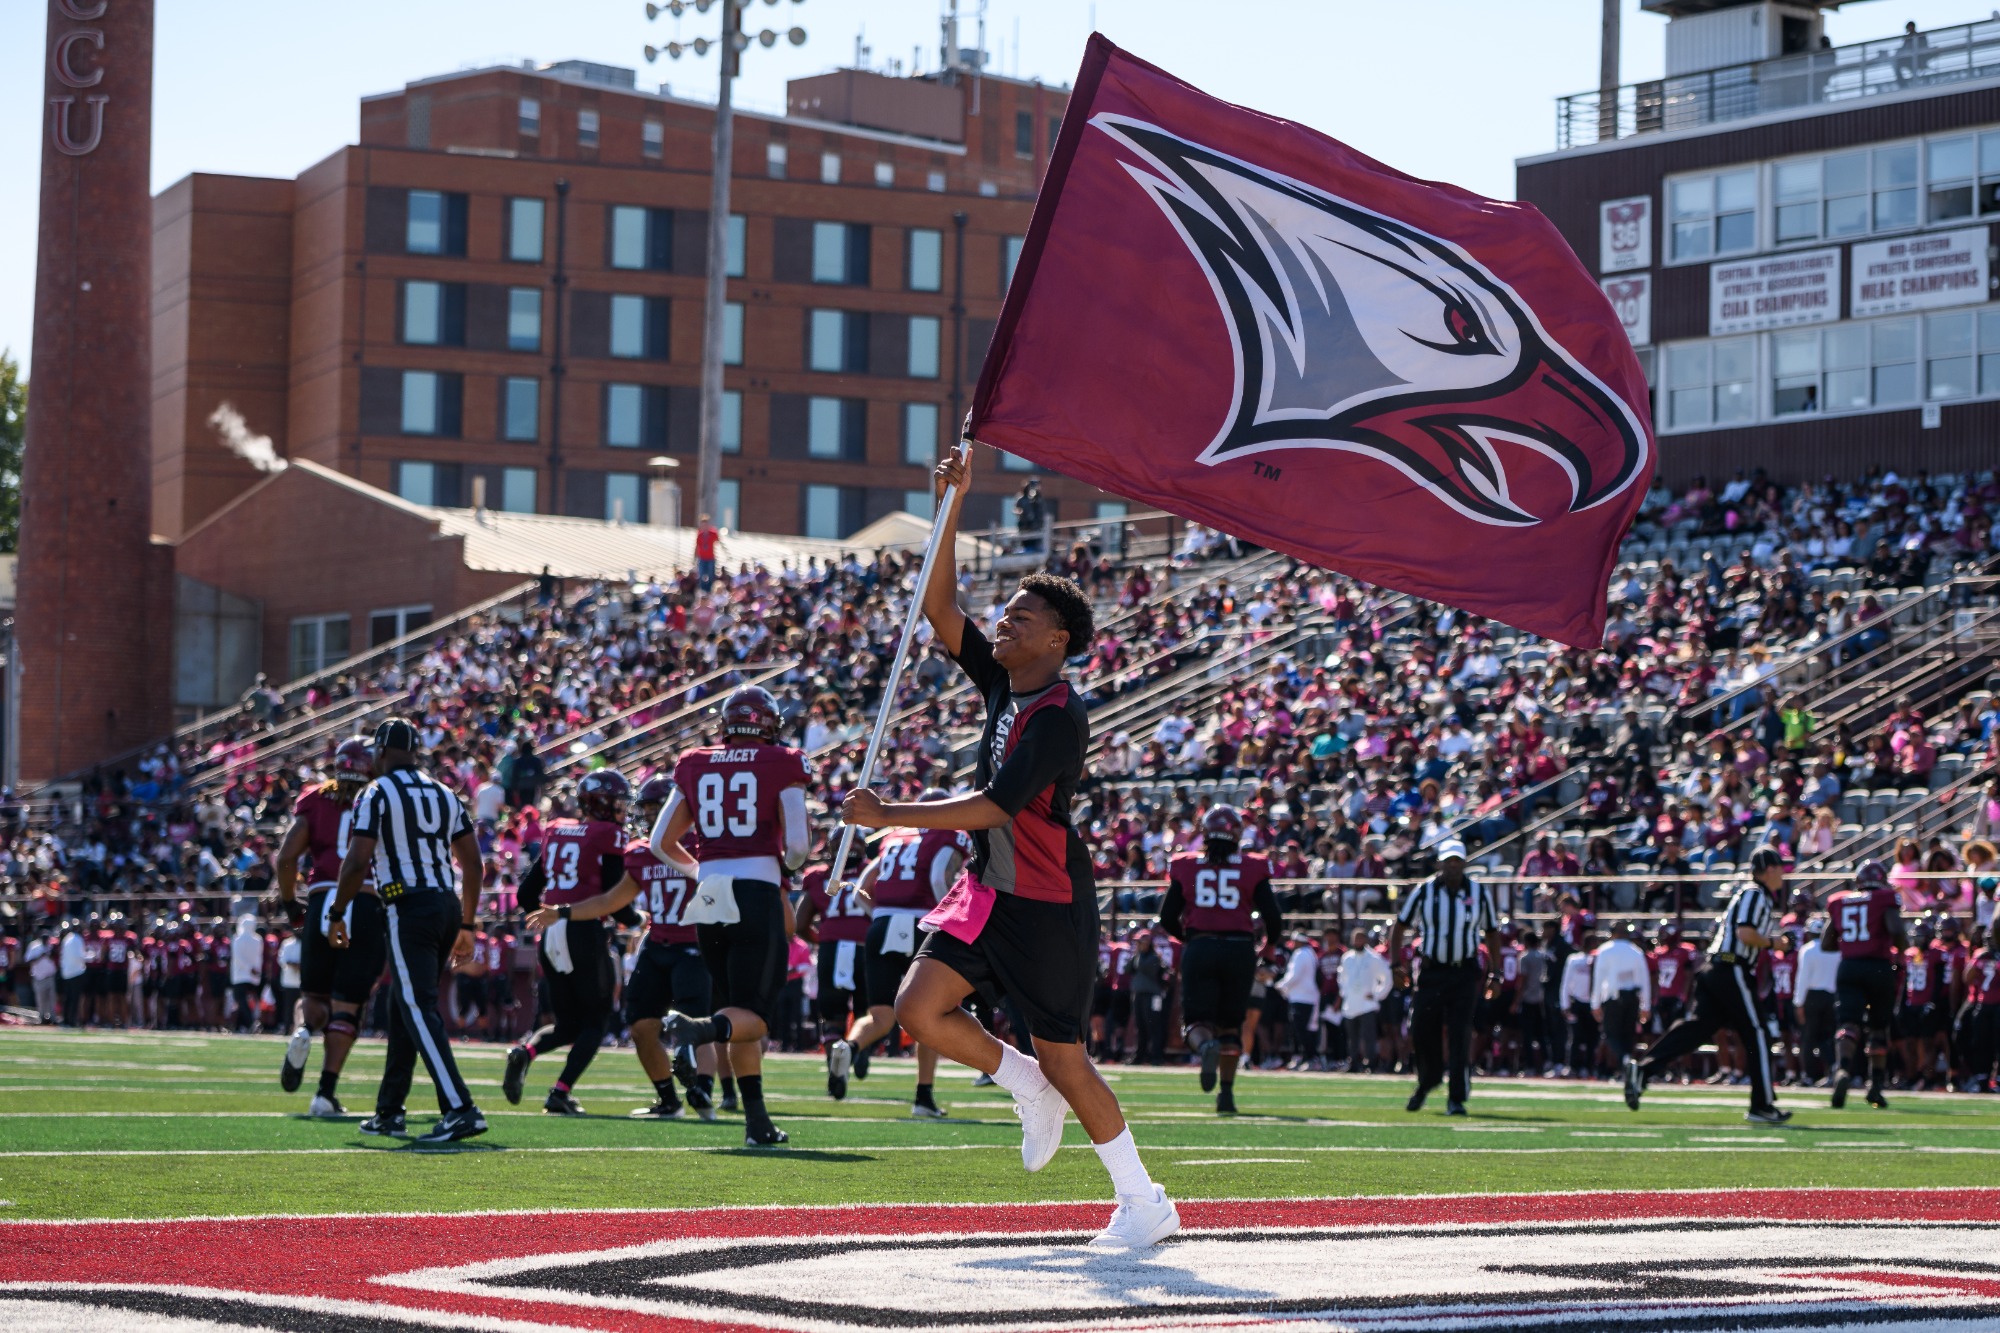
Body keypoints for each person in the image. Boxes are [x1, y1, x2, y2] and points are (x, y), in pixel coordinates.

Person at [840, 446, 1180, 1250]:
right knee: (921, 1011)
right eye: (1007, 613)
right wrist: (949, 500)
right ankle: (1019, 1078)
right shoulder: (1002, 682)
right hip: (986, 893)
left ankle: (1144, 1199)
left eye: (1022, 617)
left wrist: (888, 809)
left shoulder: (1059, 715)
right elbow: (938, 602)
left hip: (1046, 902)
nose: (1004, 622)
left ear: (1058, 640)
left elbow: (996, 806)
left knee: (1069, 1057)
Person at [653, 684, 813, 1148]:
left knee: (735, 1009)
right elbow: (799, 847)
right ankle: (693, 1029)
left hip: (709, 893)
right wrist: (782, 870)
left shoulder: (694, 761)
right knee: (757, 1018)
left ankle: (757, 1122)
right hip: (755, 890)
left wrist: (702, 869)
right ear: (769, 724)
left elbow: (660, 842)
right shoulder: (783, 761)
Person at [329, 717, 487, 1144]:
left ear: (379, 753)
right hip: (446, 904)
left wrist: (337, 911)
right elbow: (473, 864)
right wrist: (468, 923)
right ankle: (389, 1110)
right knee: (405, 1006)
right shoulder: (444, 793)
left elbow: (358, 860)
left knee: (417, 1006)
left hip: (407, 903)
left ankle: (460, 1108)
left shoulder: (376, 792)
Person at [523, 774, 714, 1120]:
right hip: (656, 944)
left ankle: (703, 1090)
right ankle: (669, 1100)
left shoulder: (703, 846)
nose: (652, 816)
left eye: (660, 809)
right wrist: (563, 912)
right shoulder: (640, 852)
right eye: (650, 809)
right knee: (640, 1026)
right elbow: (612, 900)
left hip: (695, 946)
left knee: (695, 1027)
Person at [1625, 846, 1790, 1124]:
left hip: (1717, 968)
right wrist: (1776, 943)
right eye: (1780, 867)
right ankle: (1762, 1105)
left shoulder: (1750, 893)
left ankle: (1643, 1070)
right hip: (1731, 967)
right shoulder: (1755, 894)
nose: (1784, 873)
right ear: (1770, 869)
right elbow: (1745, 933)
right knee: (1758, 1033)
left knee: (1696, 1028)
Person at [827, 798, 971, 1116]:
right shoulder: (949, 834)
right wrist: (945, 919)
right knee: (934, 1012)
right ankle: (923, 1097)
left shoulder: (895, 836)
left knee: (880, 1016)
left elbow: (861, 886)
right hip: (922, 923)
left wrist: (877, 915)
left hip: (882, 924)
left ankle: (848, 1047)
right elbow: (937, 876)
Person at [504, 769, 636, 1115]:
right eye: (618, 802)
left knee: (569, 1025)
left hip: (551, 933)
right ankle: (560, 1091)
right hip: (583, 928)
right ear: (602, 802)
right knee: (596, 1020)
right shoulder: (608, 833)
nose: (622, 809)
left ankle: (525, 1051)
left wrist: (544, 917)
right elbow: (615, 898)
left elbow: (526, 892)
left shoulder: (558, 830)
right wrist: (638, 922)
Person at [273, 737, 383, 1118]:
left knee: (314, 997)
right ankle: (325, 1092)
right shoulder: (382, 798)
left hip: (321, 899)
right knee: (347, 1007)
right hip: (366, 900)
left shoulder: (315, 799)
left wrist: (291, 903)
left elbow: (287, 858)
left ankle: (303, 1031)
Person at [1159, 804, 1282, 1113]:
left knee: (1196, 1024)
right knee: (1231, 1025)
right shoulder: (1253, 866)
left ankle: (1205, 1047)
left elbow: (1166, 917)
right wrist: (1267, 948)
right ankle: (1226, 1095)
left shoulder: (1186, 865)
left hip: (1200, 945)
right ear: (1236, 834)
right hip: (1240, 949)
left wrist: (1190, 938)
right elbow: (1274, 919)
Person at [1389, 838, 1501, 1115]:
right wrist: (1395, 965)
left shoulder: (1478, 892)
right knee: (1420, 1028)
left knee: (1461, 1033)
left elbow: (1492, 932)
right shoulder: (1424, 891)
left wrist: (1495, 973)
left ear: (1464, 863)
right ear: (1440, 863)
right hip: (1431, 971)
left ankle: (1456, 1098)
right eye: (1448, 861)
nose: (1453, 866)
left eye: (1457, 861)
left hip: (1464, 972)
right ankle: (1429, 1079)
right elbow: (1400, 926)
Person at [1824, 859, 1908, 1110]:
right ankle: (1875, 1087)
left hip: (1849, 966)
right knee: (1878, 1028)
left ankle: (1842, 1071)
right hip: (1878, 966)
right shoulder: (1885, 898)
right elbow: (1895, 929)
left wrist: (1853, 943)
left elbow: (1827, 943)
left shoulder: (1840, 901)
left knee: (1848, 1024)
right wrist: (1903, 949)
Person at [795, 859, 871, 1095]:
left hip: (832, 950)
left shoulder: (819, 876)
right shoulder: (875, 870)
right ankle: (859, 1050)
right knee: (868, 1013)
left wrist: (825, 939)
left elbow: (800, 923)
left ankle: (834, 1068)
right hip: (866, 947)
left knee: (832, 1018)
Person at [1590, 921, 1651, 1070]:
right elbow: (1644, 980)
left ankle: (1625, 1060)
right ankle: (1627, 1066)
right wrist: (1646, 1005)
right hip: (1632, 998)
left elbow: (1598, 979)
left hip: (1613, 998)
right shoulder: (1635, 951)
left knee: (1611, 1035)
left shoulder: (1605, 950)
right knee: (1627, 1035)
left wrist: (1595, 1003)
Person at [1339, 927, 1392, 1074]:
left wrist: (1377, 994)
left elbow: (1387, 978)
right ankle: (1354, 1062)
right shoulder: (1347, 957)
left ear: (1365, 940)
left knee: (1369, 1036)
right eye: (1355, 938)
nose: (1358, 941)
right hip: (1351, 1004)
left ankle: (1371, 1063)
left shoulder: (1374, 957)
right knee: (1352, 1037)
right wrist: (1345, 993)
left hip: (1367, 1004)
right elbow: (1342, 978)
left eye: (1360, 938)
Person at [1795, 919, 1839, 1084]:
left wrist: (1798, 1002)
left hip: (1812, 997)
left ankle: (1809, 1075)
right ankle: (1832, 1071)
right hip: (1832, 997)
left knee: (1808, 1038)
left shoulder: (1807, 950)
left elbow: (1802, 979)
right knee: (1829, 1038)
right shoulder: (1835, 950)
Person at [695, 513, 719, 591]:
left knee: (711, 575)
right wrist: (694, 557)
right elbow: (697, 546)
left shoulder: (713, 533)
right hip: (702, 558)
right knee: (701, 575)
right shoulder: (699, 534)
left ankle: (711, 590)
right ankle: (702, 591)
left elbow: (719, 542)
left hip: (710, 558)